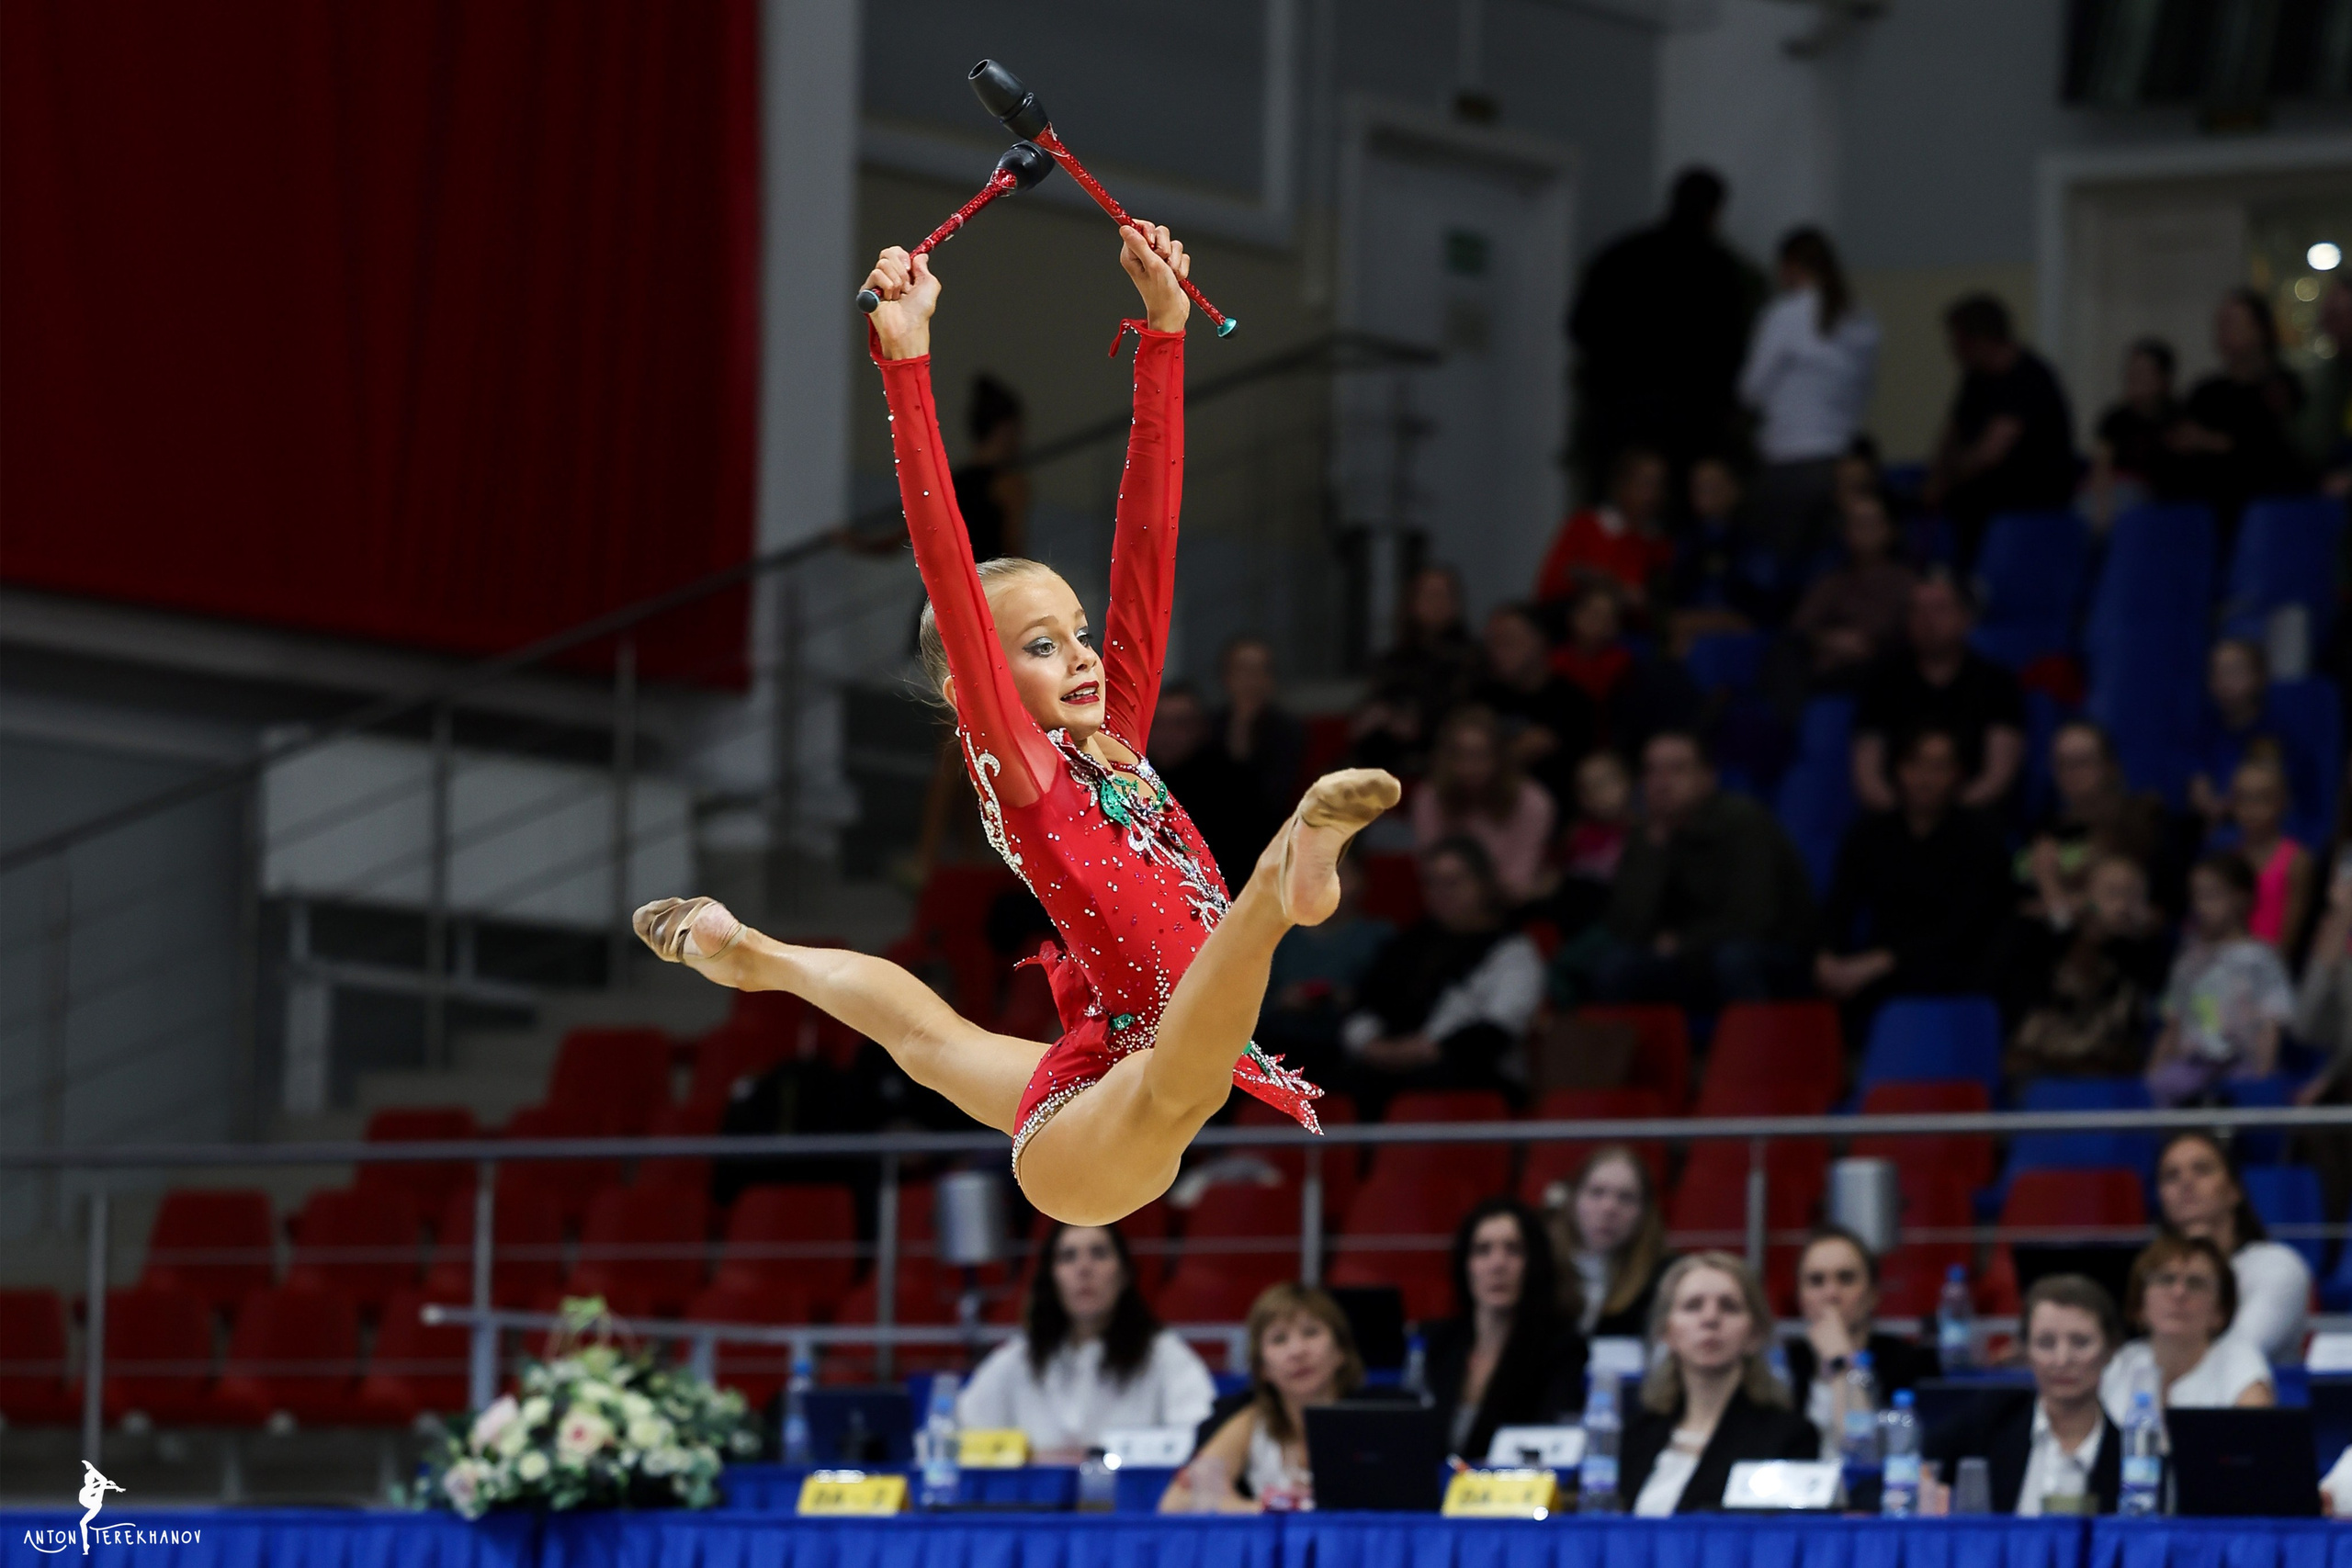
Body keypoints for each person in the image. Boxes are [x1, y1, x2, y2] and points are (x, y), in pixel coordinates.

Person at [633, 228, 1400, 1227]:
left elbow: (1148, 547)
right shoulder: (1023, 772)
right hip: (1107, 1136)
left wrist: (1166, 334)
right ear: (979, 686)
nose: (1083, 655)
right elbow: (946, 563)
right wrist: (905, 360)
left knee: (931, 1040)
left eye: (1078, 631)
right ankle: (1282, 879)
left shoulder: (1112, 740)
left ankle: (750, 956)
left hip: (1102, 1065)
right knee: (1180, 1078)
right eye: (1042, 646)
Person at [1592, 730, 1815, 1007]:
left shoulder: (1742, 821)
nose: (1661, 783)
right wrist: (1655, 848)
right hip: (1689, 957)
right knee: (1616, 966)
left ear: (1709, 777)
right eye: (1651, 771)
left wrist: (1683, 943)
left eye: (1677, 769)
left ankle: (1754, 1035)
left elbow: (1755, 917)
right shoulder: (1647, 835)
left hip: (1767, 949)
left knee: (1733, 959)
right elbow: (1625, 925)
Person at [1567, 167, 1759, 488]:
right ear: (1715, 211)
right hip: (1689, 422)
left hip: (1617, 412)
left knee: (1614, 506)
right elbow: (1731, 352)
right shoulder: (1719, 269)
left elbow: (1580, 327)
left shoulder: (1620, 257)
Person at [958, 1222, 1216, 1458]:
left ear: (1124, 1274)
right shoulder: (1018, 1357)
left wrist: (1101, 1457)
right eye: (1068, 1256)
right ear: (1051, 1276)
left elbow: (1201, 1438)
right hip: (1037, 1494)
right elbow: (962, 1433)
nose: (1084, 1269)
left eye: (1099, 1254)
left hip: (1135, 1494)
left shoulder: (1163, 1354)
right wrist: (1027, 1457)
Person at [1815, 728, 2012, 1024]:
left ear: (1957, 774)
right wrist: (1826, 955)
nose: (1925, 778)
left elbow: (1967, 926)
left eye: (1939, 766)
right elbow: (1839, 905)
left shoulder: (1981, 837)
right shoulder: (1868, 834)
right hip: (1876, 966)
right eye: (1915, 764)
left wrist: (1887, 960)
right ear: (1899, 769)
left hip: (1952, 966)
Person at [1340, 838, 1544, 1118]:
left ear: (1483, 885)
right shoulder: (1405, 945)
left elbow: (1500, 1027)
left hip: (1475, 1075)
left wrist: (1429, 1050)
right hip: (1386, 1065)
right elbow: (1364, 1006)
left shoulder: (1513, 951)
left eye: (1453, 883)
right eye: (1431, 884)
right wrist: (1373, 1046)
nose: (1441, 893)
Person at [1621, 1253, 1818, 1515]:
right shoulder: (1635, 1434)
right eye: (1693, 1306)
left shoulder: (1788, 1438)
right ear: (1667, 1332)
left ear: (1755, 1334)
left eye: (1729, 1307)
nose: (1710, 1318)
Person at [1920, 1275, 2124, 1516]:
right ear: (2025, 1350)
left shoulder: (2129, 1454)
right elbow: (1904, 1471)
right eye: (2046, 1343)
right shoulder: (1993, 1419)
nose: (2062, 1360)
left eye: (2080, 1342)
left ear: (2111, 1349)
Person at [1738, 228, 1880, 567]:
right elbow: (1864, 390)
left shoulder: (1785, 315)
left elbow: (1751, 389)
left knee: (1781, 568)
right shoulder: (1862, 319)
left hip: (1788, 461)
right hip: (1841, 463)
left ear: (1790, 267)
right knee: (1830, 566)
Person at [1159, 1282, 1363, 1511]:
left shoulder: (1378, 1418)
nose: (1297, 1351)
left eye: (1311, 1332)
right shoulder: (1249, 1422)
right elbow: (1175, 1503)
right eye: (1279, 1339)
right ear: (1262, 1368)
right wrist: (1265, 1509)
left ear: (1341, 1350)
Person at [1422, 1198, 1590, 1461]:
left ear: (1533, 1262)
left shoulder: (1561, 1350)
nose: (1498, 1264)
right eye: (1483, 1250)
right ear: (1466, 1264)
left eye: (1514, 1250)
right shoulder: (1442, 1343)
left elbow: (1549, 1445)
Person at [1850, 574, 2026, 812]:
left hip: (1971, 818)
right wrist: (1907, 817)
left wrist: (1943, 818)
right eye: (1917, 610)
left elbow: (1998, 774)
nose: (1927, 620)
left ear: (1965, 617)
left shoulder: (1997, 683)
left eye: (1939, 609)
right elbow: (1868, 773)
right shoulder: (1883, 681)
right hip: (1896, 817)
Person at [1923, 294, 2076, 562]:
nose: (1954, 351)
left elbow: (1990, 452)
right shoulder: (1976, 379)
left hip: (2030, 499)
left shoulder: (2029, 378)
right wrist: (1935, 477)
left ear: (1980, 341)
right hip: (1982, 494)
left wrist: (1946, 481)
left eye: (1959, 342)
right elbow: (1952, 432)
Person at [2006, 852, 2171, 1078]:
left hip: (2110, 1072)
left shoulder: (2147, 949)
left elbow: (2151, 933)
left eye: (2132, 894)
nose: (2122, 905)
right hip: (2046, 1067)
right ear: (2087, 896)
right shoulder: (2052, 939)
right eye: (2112, 892)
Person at [2145, 852, 2293, 1106]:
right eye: (2197, 897)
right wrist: (2150, 1077)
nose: (2201, 906)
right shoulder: (2188, 960)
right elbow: (2173, 1023)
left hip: (2243, 1065)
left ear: (2242, 899)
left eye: (2212, 895)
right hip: (2193, 1067)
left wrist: (2263, 1079)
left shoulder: (2261, 958)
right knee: (2163, 1085)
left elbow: (2271, 1024)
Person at [1782, 1226, 1940, 1461]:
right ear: (1800, 1297)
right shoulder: (1782, 1366)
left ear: (1873, 1293)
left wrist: (1841, 1360)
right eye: (1816, 1281)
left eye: (1846, 1279)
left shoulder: (1909, 1364)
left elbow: (1861, 1452)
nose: (1831, 1293)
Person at [2154, 1130, 2312, 1364]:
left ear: (2233, 1190)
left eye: (2202, 1169)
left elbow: (2238, 1356)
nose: (2186, 1182)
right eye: (2171, 1176)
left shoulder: (2277, 1266)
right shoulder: (2152, 1275)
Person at [2170, 288, 2308, 528]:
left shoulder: (2282, 387)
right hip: (2205, 509)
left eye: (2232, 322)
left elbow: (2273, 452)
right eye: (2220, 323)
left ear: (2260, 330)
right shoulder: (2206, 393)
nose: (2223, 331)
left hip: (2268, 509)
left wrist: (2212, 442)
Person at [2099, 1233, 2276, 1420]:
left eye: (2195, 1283)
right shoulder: (2120, 1364)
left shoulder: (2239, 1359)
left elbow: (2254, 1433)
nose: (2179, 1293)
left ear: (2220, 1311)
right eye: (2166, 1279)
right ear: (2140, 1305)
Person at [2019, 719, 2175, 919]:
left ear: (2110, 765)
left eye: (2082, 762)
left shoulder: (2144, 820)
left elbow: (2158, 910)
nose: (2070, 773)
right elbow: (2021, 906)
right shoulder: (2044, 829)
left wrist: (2055, 889)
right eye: (2061, 763)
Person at [1410, 706, 1557, 907]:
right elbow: (1430, 872)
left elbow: (1518, 881)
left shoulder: (1533, 802)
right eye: (1459, 755)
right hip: (1445, 908)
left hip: (1508, 908)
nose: (1468, 767)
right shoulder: (1429, 797)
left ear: (1500, 757)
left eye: (1479, 755)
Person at [2188, 638, 2323, 843]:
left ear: (2259, 676)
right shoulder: (2203, 730)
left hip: (2275, 832)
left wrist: (2236, 802)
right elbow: (2196, 777)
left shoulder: (2279, 733)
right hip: (2220, 833)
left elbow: (2293, 794)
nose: (2224, 681)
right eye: (2216, 673)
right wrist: (2199, 788)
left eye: (2234, 672)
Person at [1352, 564, 1477, 776]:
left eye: (1443, 595)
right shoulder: (1391, 661)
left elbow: (1470, 716)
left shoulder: (1472, 659)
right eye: (1428, 595)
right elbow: (1371, 711)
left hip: (1445, 761)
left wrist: (1419, 724)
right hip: (1387, 755)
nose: (1436, 603)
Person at [1472, 602, 1597, 807]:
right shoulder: (1480, 699)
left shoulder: (1572, 701)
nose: (1497, 651)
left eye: (1508, 641)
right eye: (1492, 643)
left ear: (1540, 641)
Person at [1542, 1145, 1671, 1338]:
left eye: (1626, 1198)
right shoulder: (1539, 1266)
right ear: (1573, 1199)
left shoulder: (1664, 1279)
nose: (1609, 1208)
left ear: (1645, 1212)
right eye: (1597, 1192)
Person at [1790, 490, 1917, 683]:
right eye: (1856, 524)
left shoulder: (1906, 582)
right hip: (1829, 672)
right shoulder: (1832, 581)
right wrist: (1829, 639)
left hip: (1886, 673)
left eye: (1870, 523)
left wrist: (1870, 646)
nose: (1863, 531)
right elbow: (1800, 627)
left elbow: (1914, 634)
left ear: (1890, 530)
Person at [1148, 681, 1265, 888]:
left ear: (1201, 727)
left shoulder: (1233, 784)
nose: (1168, 733)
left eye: (1180, 724)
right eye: (1158, 723)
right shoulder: (1131, 780)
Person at [1535, 446, 1674, 615]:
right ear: (1621, 484)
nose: (1651, 495)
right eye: (1645, 483)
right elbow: (1548, 588)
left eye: (1658, 485)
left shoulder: (1659, 544)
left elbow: (1657, 607)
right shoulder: (1585, 525)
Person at [1666, 457, 1785, 649]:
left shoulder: (1752, 544)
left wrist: (1714, 620)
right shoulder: (1685, 542)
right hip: (1689, 628)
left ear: (1734, 490)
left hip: (1740, 631)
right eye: (1698, 486)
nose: (1704, 493)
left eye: (1712, 485)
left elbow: (1763, 607)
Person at [1216, 635, 1307, 836]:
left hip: (1272, 834)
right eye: (1242, 670)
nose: (1251, 680)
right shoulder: (1209, 727)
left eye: (1260, 670)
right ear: (1226, 676)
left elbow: (1275, 797)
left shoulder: (1287, 730)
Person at [2219, 755, 2312, 951]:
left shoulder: (2296, 861)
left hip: (2269, 962)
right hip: (2229, 959)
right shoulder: (2227, 859)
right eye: (2242, 798)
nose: (2250, 808)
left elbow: (2290, 938)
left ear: (2283, 801)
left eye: (2262, 798)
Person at [2087, 337, 2181, 529]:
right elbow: (2102, 466)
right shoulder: (2115, 420)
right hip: (2120, 499)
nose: (2133, 377)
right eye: (2131, 371)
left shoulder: (2179, 419)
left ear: (2163, 378)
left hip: (2166, 506)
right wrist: (2102, 503)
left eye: (2143, 372)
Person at [952, 373, 1030, 562]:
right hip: (991, 578)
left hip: (950, 579)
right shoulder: (1009, 484)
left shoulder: (949, 481)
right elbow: (1013, 549)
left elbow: (907, 534)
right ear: (1005, 430)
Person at [2295, 278, 2352, 496]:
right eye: (2328, 315)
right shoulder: (2327, 377)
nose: (2328, 324)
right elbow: (2313, 441)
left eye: (2338, 315)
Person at [1551, 582, 1634, 709]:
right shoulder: (1554, 659)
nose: (1596, 621)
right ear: (1574, 614)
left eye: (1606, 617)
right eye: (1592, 612)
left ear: (1615, 627)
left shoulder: (1621, 663)